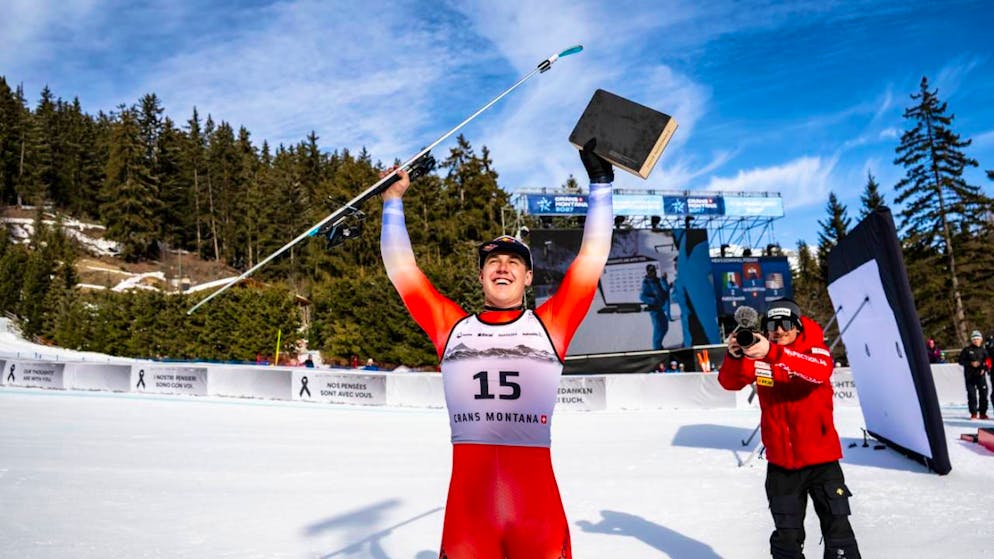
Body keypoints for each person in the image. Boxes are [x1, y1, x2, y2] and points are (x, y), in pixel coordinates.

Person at [379, 143, 613, 558]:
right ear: (481, 276)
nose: (502, 266)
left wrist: (600, 185)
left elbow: (591, 258)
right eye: (493, 262)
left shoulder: (551, 326)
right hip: (470, 520)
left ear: (528, 277)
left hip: (536, 515)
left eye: (513, 262)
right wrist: (392, 203)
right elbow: (403, 272)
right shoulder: (452, 328)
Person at [718, 299, 861, 559]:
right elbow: (729, 382)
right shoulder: (759, 354)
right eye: (773, 325)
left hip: (822, 460)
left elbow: (819, 371)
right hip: (782, 464)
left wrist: (774, 353)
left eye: (786, 324)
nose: (779, 330)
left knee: (838, 531)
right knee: (787, 537)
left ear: (797, 326)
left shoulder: (813, 347)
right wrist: (735, 356)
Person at [957, 330, 990, 420]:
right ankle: (974, 413)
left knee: (984, 394)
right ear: (972, 340)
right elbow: (960, 361)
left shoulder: (984, 351)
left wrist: (984, 368)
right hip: (970, 376)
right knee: (971, 395)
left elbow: (988, 362)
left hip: (980, 376)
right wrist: (971, 363)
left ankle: (983, 413)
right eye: (974, 339)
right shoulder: (967, 350)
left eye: (978, 339)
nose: (976, 341)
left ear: (981, 340)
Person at [639, 263, 671, 349]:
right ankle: (657, 348)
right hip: (654, 310)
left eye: (654, 270)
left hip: (661, 308)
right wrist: (653, 300)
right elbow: (642, 296)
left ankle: (658, 345)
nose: (653, 272)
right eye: (651, 271)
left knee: (664, 327)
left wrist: (664, 280)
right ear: (648, 272)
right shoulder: (646, 283)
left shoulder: (658, 280)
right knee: (658, 329)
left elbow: (666, 289)